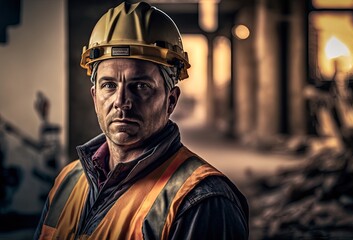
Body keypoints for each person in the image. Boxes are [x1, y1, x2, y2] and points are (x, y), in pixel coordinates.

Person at [34, 1, 249, 239]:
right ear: (95, 97)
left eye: (140, 86)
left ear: (171, 100)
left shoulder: (201, 201)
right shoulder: (68, 181)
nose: (122, 101)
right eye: (108, 85)